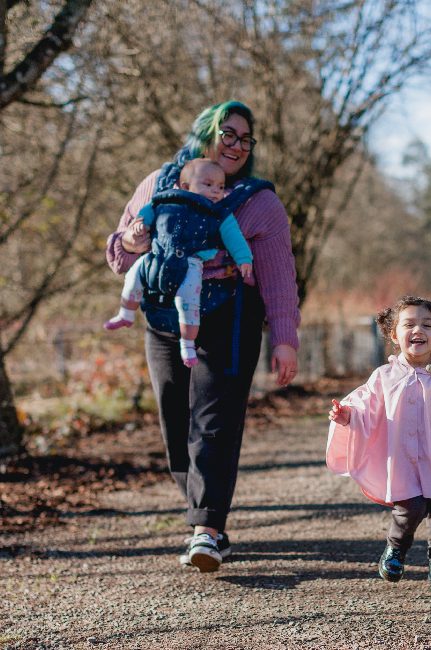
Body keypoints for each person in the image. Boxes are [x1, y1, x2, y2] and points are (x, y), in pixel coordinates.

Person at [106, 101, 300, 573]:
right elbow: (118, 254)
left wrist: (285, 337)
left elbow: (277, 276)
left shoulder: (259, 202)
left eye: (245, 138)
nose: (236, 145)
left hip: (230, 318)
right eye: (227, 134)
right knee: (175, 416)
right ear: (205, 134)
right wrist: (131, 242)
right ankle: (203, 514)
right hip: (162, 315)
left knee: (215, 418)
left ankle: (206, 529)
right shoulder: (159, 185)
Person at [326, 295, 431, 595]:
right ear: (394, 334)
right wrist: (347, 416)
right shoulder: (384, 376)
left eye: (427, 325)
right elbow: (366, 409)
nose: (418, 330)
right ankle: (395, 549)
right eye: (409, 324)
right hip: (403, 461)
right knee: (410, 508)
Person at [104, 158, 253, 368]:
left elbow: (233, 236)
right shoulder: (164, 201)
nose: (216, 191)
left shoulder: (218, 214)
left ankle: (187, 343)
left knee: (189, 301)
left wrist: (244, 258)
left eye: (220, 187)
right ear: (185, 186)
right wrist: (139, 225)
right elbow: (147, 212)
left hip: (191, 264)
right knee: (133, 277)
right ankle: (126, 313)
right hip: (155, 256)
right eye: (208, 184)